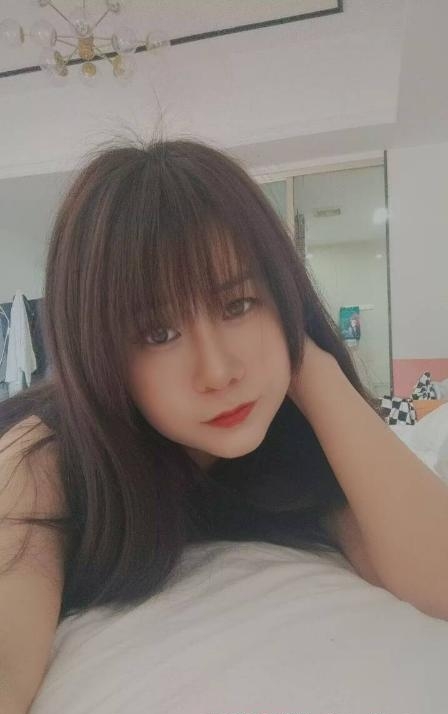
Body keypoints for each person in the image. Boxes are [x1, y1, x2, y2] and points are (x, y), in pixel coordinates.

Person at [1, 133, 448, 713]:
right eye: (158, 333)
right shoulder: (46, 456)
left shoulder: (297, 440)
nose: (217, 371)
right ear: (99, 355)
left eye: (239, 305)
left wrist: (314, 371)